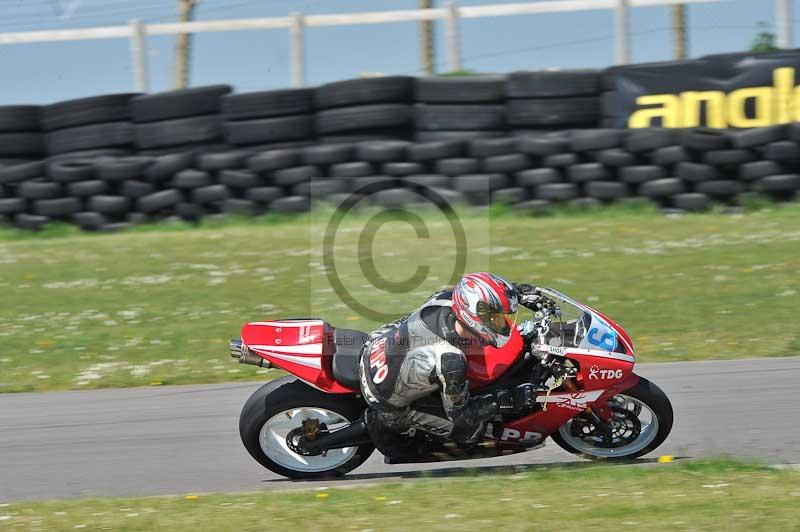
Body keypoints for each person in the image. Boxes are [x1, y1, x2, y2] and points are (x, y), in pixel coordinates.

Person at [358, 272, 543, 448]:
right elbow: (461, 415)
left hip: (377, 346)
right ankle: (391, 427)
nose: (503, 324)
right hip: (384, 400)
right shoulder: (451, 360)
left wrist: (517, 293)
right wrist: (508, 399)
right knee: (473, 432)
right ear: (474, 314)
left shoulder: (445, 299)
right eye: (496, 318)